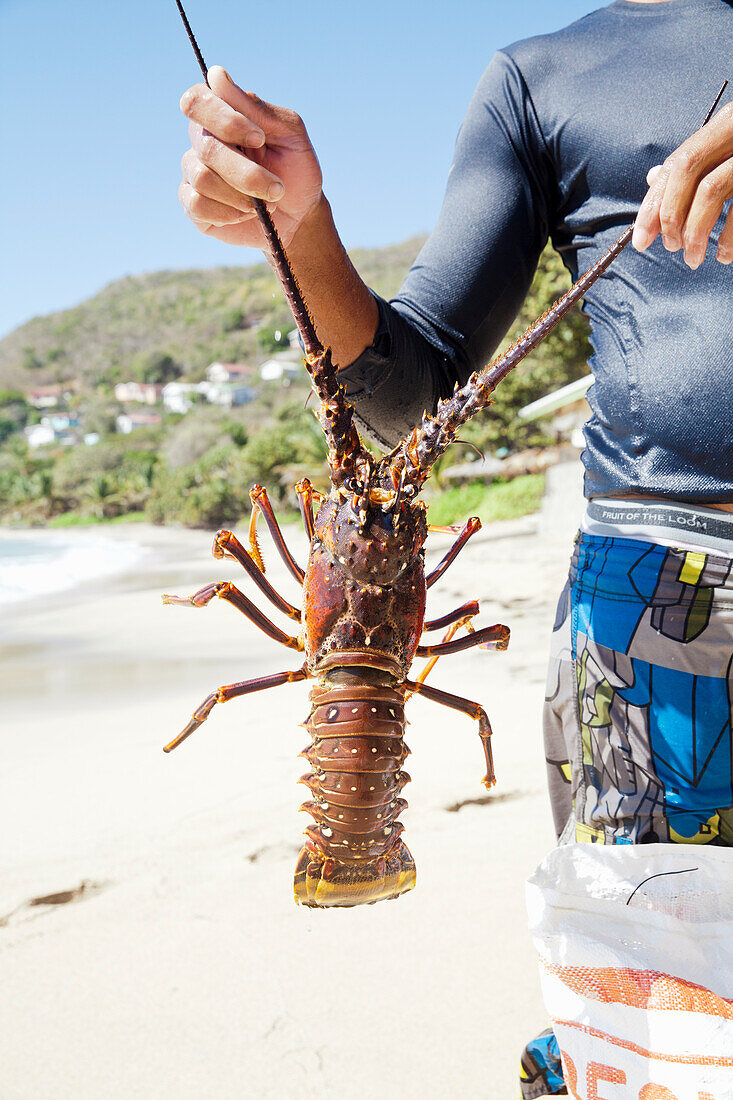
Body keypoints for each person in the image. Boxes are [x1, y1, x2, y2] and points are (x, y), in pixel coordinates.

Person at [177, 1, 733, 1094]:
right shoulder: (540, 77)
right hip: (655, 591)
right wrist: (302, 227)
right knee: (657, 1018)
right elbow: (415, 385)